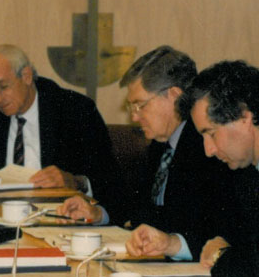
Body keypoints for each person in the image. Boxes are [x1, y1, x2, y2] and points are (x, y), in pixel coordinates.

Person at [127, 60, 259, 277]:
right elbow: (224, 235)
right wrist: (173, 244)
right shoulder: (246, 163)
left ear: (244, 117)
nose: (208, 150)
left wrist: (220, 255)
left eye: (211, 134)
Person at [57, 46, 230, 259]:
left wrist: (171, 244)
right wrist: (97, 213)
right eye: (132, 108)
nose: (135, 117)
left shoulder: (209, 148)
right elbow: (139, 208)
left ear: (174, 96)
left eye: (140, 106)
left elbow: (211, 230)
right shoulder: (161, 143)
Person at [0, 44, 128, 218]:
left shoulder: (74, 109)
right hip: (1, 217)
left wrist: (73, 181)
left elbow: (109, 180)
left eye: (3, 87)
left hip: (59, 215)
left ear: (26, 75)